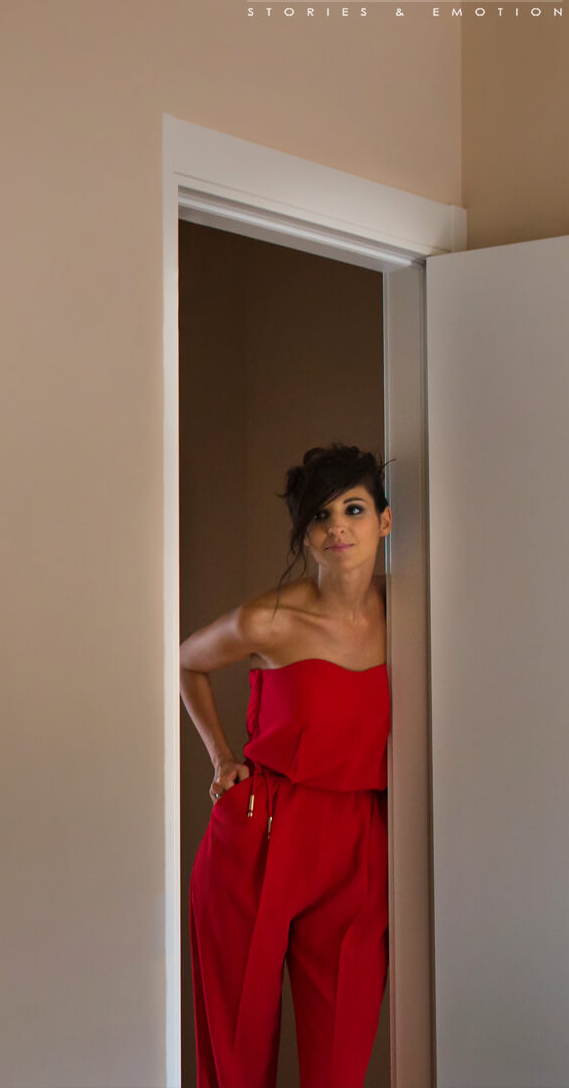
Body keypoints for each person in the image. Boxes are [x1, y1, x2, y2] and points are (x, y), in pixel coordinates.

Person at [180, 443, 393, 1088]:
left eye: (353, 509)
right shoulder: (270, 620)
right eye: (320, 515)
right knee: (239, 1053)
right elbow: (186, 662)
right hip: (262, 831)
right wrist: (222, 757)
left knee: (340, 1058)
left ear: (384, 520)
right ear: (305, 533)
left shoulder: (411, 613)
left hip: (360, 840)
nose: (337, 528)